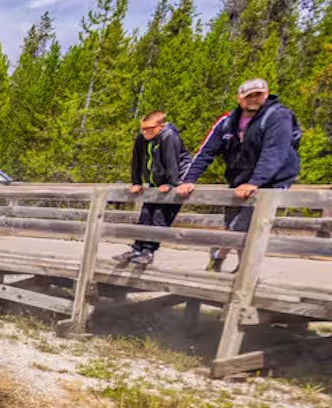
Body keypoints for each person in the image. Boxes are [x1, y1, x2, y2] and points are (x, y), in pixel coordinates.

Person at [176, 78, 302, 272]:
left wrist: (256, 182)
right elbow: (206, 152)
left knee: (245, 226)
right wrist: (188, 180)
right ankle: (234, 264)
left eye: (257, 95)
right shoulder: (227, 123)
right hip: (239, 179)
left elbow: (274, 152)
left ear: (266, 94)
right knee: (233, 226)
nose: (253, 99)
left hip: (273, 180)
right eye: (248, 96)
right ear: (239, 98)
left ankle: (231, 263)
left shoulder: (278, 116)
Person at [114, 111, 190, 267]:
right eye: (143, 128)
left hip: (176, 181)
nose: (146, 132)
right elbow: (136, 161)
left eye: (150, 129)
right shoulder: (141, 138)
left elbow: (172, 160)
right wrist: (136, 182)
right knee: (146, 214)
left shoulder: (168, 136)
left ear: (160, 127)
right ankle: (137, 249)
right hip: (155, 183)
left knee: (159, 216)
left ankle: (148, 251)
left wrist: (171, 184)